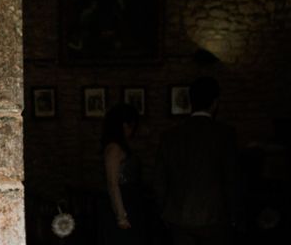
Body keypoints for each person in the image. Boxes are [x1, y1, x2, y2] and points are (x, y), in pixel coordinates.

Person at [153, 76, 240, 245]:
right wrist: (236, 217)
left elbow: (159, 182)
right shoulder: (225, 134)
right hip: (215, 218)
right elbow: (233, 180)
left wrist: (163, 211)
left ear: (191, 102)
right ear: (215, 103)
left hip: (178, 217)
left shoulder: (169, 137)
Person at [101, 102, 143, 244]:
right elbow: (112, 183)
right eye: (131, 125)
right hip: (122, 204)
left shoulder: (118, 146)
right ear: (124, 125)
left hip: (129, 201)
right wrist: (121, 216)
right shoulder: (114, 148)